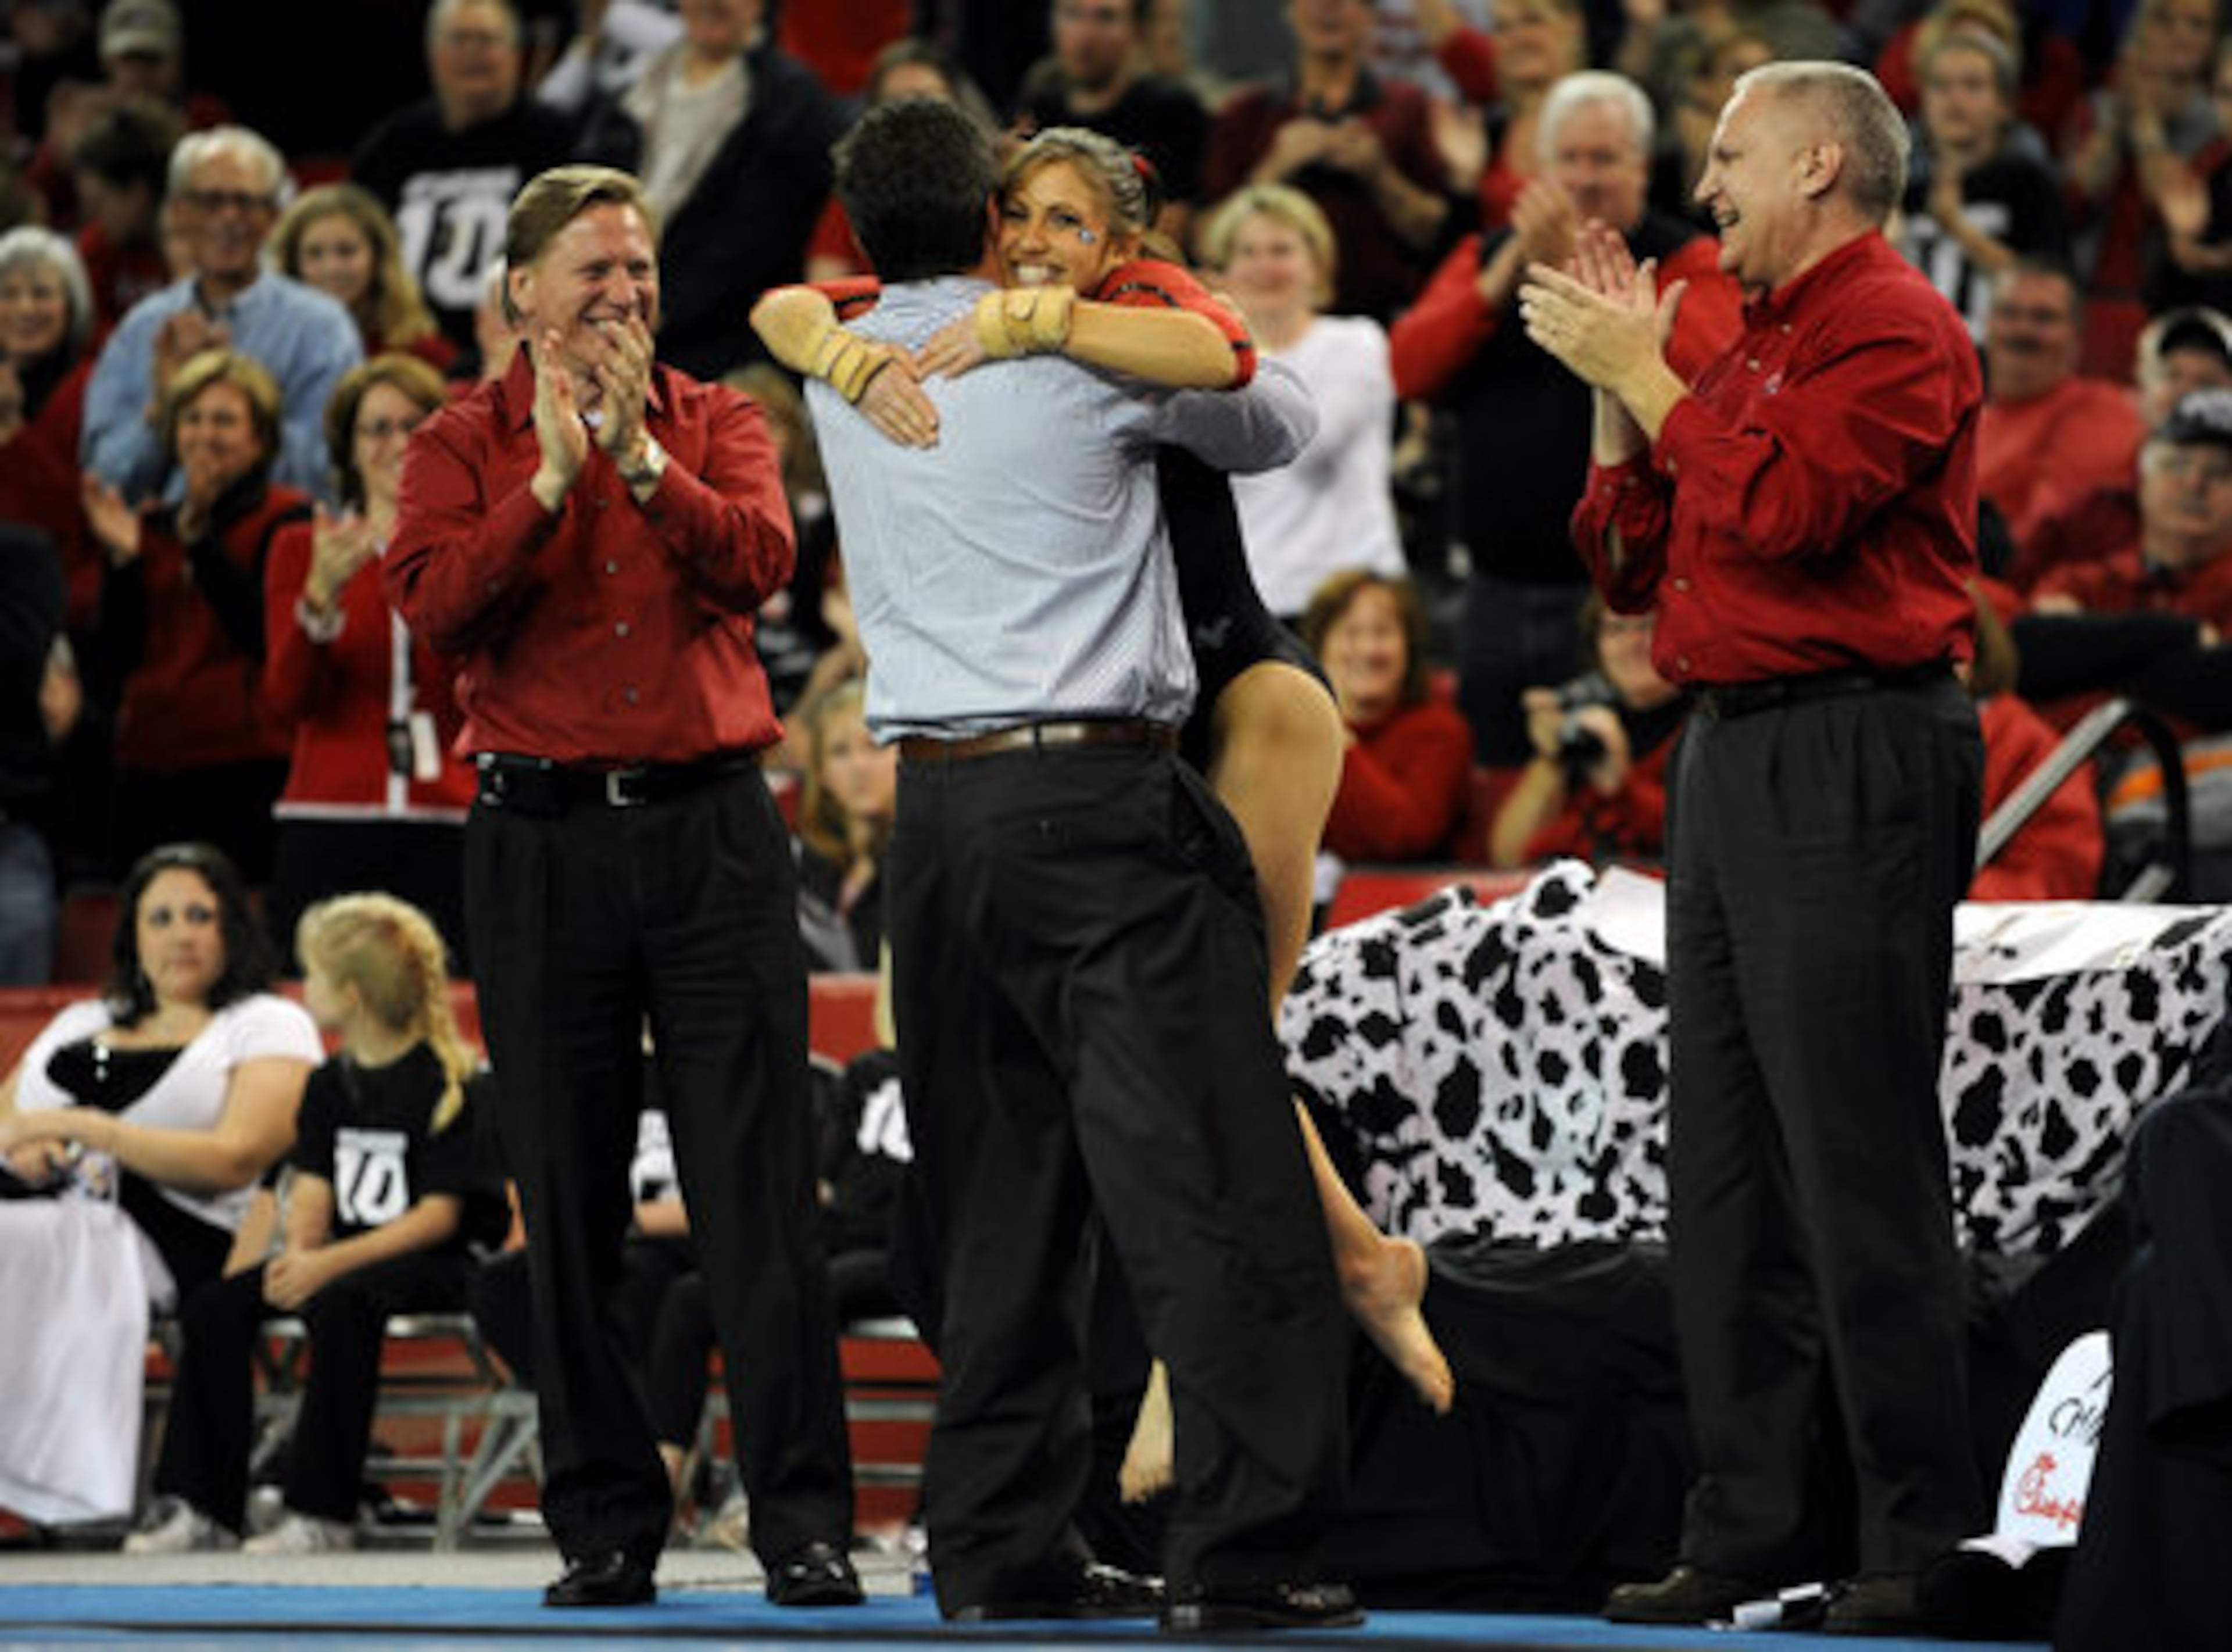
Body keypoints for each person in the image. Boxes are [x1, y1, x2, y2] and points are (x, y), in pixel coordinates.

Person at [755, 121, 1452, 1439]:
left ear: (1122, 245)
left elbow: (1268, 395)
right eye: (1016, 216)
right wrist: (833, 346)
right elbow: (791, 305)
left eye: (1066, 225)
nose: (1030, 246)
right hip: (1089, 743)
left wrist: (1045, 330)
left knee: (1215, 1060)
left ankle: (1212, 1361)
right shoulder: (968, 324)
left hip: (1242, 693)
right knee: (977, 1057)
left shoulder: (1134, 317)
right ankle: (1343, 1261)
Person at [1518, 60, 1987, 1633]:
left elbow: (1787, 513)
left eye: (1729, 156)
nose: (1702, 187)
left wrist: (1653, 377)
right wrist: (1613, 387)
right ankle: (1746, 1532)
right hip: (1722, 755)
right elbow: (1632, 558)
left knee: (1854, 1161)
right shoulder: (1753, 335)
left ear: (1825, 169)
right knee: (1721, 1173)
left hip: (1859, 746)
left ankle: (1919, 1544)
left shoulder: (1899, 328)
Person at [382, 163, 861, 1611]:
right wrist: (545, 484)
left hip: (713, 833)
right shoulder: (455, 443)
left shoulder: (715, 420)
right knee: (567, 1199)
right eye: (594, 272)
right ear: (519, 292)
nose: (626, 295)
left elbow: (761, 565)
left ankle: (803, 1528)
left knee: (757, 1196)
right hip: (538, 840)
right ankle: (602, 1526)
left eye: (640, 271)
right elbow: (431, 609)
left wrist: (641, 468)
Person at [126, 892, 506, 1556]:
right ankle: (202, 1503)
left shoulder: (451, 1083)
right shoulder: (330, 1083)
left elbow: (437, 1216)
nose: (307, 991)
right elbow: (313, 1190)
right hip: (346, 1256)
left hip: (434, 1260)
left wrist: (327, 1265)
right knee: (218, 1305)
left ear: (352, 995)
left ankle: (323, 1508)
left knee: (341, 1301)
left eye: (317, 978)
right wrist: (298, 1253)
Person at [1390, 69, 1741, 768]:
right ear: (1540, 172)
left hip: (1622, 602)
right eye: (1569, 160)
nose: (1584, 178)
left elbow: (1711, 377)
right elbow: (1411, 370)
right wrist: (1509, 275)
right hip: (1493, 590)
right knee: (1497, 788)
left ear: (1643, 166)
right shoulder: (1486, 256)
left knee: (1620, 789)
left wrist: (1575, 283)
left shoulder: (1690, 259)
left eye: (1604, 159)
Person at [0, 842, 321, 1526]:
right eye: (162, 917)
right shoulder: (81, 1021)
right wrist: (31, 1145)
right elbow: (9, 1118)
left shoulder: (265, 1023)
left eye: (200, 915)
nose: (181, 933)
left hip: (193, 1236)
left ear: (231, 928)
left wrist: (96, 1131)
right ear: (133, 935)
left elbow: (237, 1157)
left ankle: (66, 1487)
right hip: (48, 1210)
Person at [261, 355, 477, 968]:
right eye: (376, 429)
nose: (396, 443)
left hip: (449, 815)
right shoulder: (300, 546)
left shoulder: (473, 547)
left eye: (414, 425)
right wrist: (318, 604)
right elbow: (288, 701)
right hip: (331, 816)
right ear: (349, 446)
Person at [83, 349, 309, 884]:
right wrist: (122, 566)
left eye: (225, 420)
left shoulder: (288, 520)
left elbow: (268, 636)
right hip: (148, 768)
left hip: (246, 768)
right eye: (193, 418)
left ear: (260, 438)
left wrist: (201, 543)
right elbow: (117, 658)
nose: (206, 435)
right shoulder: (146, 527)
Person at [81, 126, 362, 506]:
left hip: (276, 549)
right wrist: (164, 411)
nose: (230, 218)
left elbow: (329, 471)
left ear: (273, 217)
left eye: (247, 203)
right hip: (160, 551)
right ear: (180, 212)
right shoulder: (140, 329)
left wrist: (235, 411)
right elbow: (104, 481)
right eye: (211, 201)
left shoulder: (323, 329)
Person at [574, 0, 846, 380]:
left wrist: (661, 306)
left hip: (731, 346)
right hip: (619, 321)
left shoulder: (795, 103)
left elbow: (761, 236)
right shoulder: (633, 91)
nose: (712, 4)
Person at [1196, 184, 1404, 622]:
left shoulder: (1357, 343)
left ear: (1317, 264)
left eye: (1281, 250)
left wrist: (1228, 346)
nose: (1264, 267)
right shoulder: (1204, 363)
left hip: (1350, 600)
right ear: (1222, 272)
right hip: (1252, 599)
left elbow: (1299, 442)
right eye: (1247, 252)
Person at [1200, 0, 1453, 324]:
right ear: (1289, 11)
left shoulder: (1408, 108)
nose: (1328, 8)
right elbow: (1205, 239)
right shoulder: (1245, 115)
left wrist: (1379, 175)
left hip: (1381, 323)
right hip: (1264, 325)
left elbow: (1436, 232)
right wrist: (1274, 168)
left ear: (1371, 14)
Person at [351, 0, 577, 356]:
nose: (472, 54)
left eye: (486, 40)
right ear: (433, 52)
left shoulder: (557, 142)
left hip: (516, 353)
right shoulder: (393, 145)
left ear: (516, 53)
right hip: (404, 357)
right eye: (458, 40)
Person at [1898, 28, 2070, 343]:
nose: (1955, 99)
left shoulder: (2029, 185)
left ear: (2005, 105)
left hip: (1995, 366)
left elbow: (2045, 290)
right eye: (1940, 86)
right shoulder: (1901, 191)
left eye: (1972, 85)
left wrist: (1957, 226)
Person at [1487, 599, 1687, 870]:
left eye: (1649, 627)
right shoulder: (1583, 723)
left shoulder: (1710, 727)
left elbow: (1707, 840)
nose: (1632, 643)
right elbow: (1507, 855)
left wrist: (1622, 787)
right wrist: (1550, 760)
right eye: (1615, 630)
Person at [1299, 569, 1474, 864]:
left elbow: (1405, 836)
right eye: (1351, 633)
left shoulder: (1441, 730)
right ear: (1320, 647)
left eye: (1382, 632)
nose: (1368, 650)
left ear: (1409, 647)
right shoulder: (1292, 732)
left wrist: (1340, 740)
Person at [1976, 263, 2145, 555]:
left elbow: (2051, 532)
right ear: (1987, 324)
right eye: (2009, 313)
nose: (2023, 330)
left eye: (2044, 318)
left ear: (2077, 334)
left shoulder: (2098, 409)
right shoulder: (1964, 414)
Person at [1014, 0, 1211, 241]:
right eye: (1072, 14)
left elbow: (1169, 227)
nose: (1086, 34)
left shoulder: (1171, 110)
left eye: (1106, 18)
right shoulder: (1041, 105)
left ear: (1138, 31)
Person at [0, 227, 102, 634]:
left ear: (71, 307)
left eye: (42, 294)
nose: (26, 309)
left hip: (67, 591)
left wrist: (12, 432)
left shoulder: (93, 388)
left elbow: (69, 511)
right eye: (9, 294)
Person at [270, 185, 459, 377]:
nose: (332, 268)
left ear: (378, 258)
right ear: (293, 265)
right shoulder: (273, 350)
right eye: (314, 254)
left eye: (347, 251)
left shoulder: (425, 355)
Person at [792, 680, 894, 975]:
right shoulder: (798, 867)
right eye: (840, 752)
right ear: (820, 771)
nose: (858, 767)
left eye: (874, 748)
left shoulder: (928, 861)